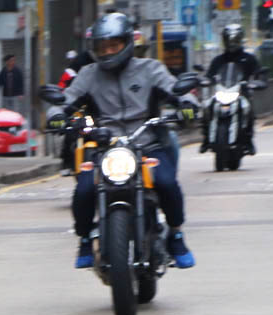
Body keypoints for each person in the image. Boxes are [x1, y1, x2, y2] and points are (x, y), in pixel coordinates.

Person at [47, 13, 196, 270]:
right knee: (83, 190)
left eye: (113, 45)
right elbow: (65, 99)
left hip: (148, 144)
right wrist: (56, 116)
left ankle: (176, 234)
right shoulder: (88, 74)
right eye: (102, 47)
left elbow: (175, 90)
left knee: (167, 183)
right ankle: (84, 238)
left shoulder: (150, 69)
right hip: (103, 148)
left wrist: (188, 105)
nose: (108, 51)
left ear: (127, 43)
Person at [200, 24, 261, 156]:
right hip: (222, 91)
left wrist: (258, 81)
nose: (232, 43)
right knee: (206, 107)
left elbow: (259, 73)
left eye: (235, 40)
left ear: (240, 40)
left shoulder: (249, 59)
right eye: (229, 40)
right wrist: (205, 80)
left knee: (248, 110)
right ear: (224, 40)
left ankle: (248, 140)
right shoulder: (218, 60)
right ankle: (205, 139)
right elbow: (209, 75)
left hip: (241, 93)